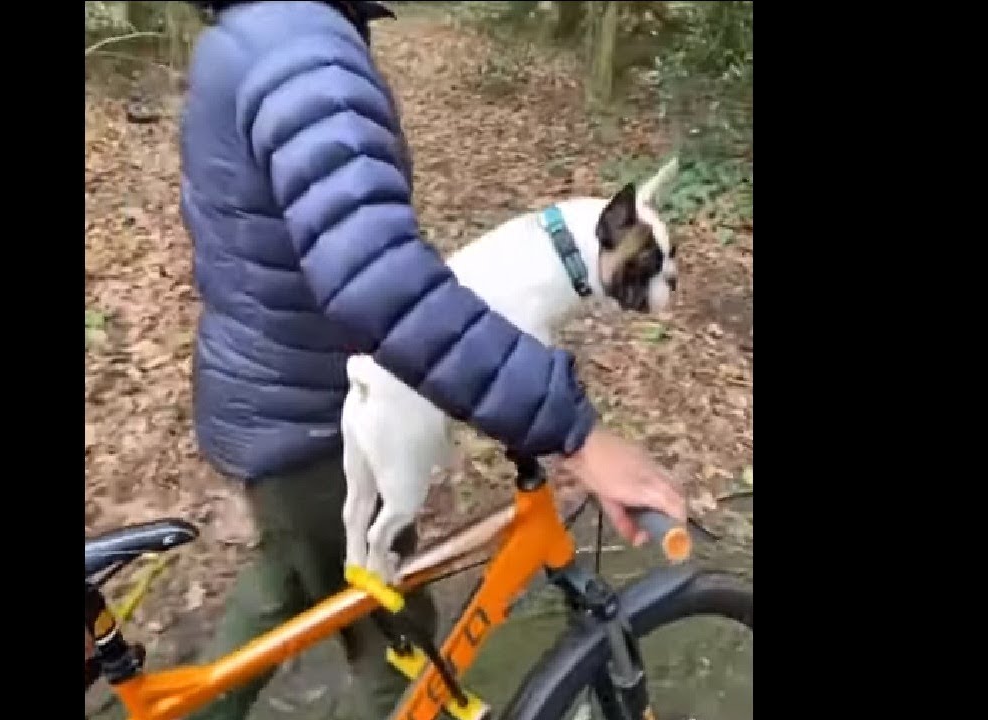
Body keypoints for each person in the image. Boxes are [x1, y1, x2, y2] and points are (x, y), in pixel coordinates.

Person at [178, 2, 686, 718]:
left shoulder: (254, 30)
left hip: (266, 390)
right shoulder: (304, 53)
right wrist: (573, 430)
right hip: (316, 412)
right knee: (400, 653)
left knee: (292, 578)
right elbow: (378, 280)